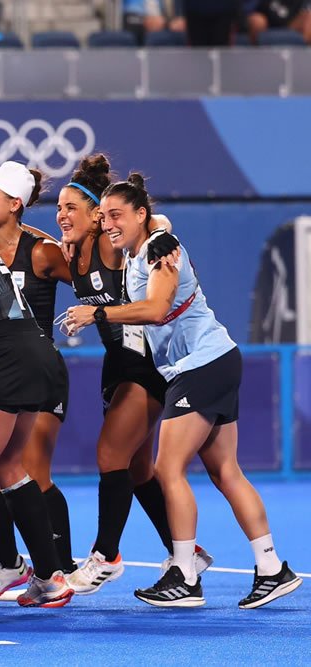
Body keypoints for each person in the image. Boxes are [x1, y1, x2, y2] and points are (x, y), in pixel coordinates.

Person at [65, 173, 303, 608]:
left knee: (167, 467)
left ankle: (184, 575)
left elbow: (157, 309)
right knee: (225, 471)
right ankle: (272, 568)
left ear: (140, 214)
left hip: (201, 366)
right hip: (215, 361)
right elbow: (158, 229)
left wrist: (96, 314)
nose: (109, 224)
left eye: (117, 215)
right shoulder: (144, 249)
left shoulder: (158, 250)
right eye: (105, 217)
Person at [57, 155, 211, 595]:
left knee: (111, 454)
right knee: (139, 467)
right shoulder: (71, 251)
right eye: (59, 208)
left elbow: (152, 222)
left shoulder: (110, 245)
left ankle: (106, 556)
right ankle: (187, 554)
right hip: (118, 362)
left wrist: (161, 228)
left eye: (72, 208)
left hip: (146, 363)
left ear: (98, 217)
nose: (62, 216)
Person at [0, 157, 79, 598]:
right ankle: (13, 564)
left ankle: (60, 567)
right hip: (3, 362)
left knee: (30, 470)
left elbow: (92, 284)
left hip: (37, 367)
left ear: (15, 203)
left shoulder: (43, 250)